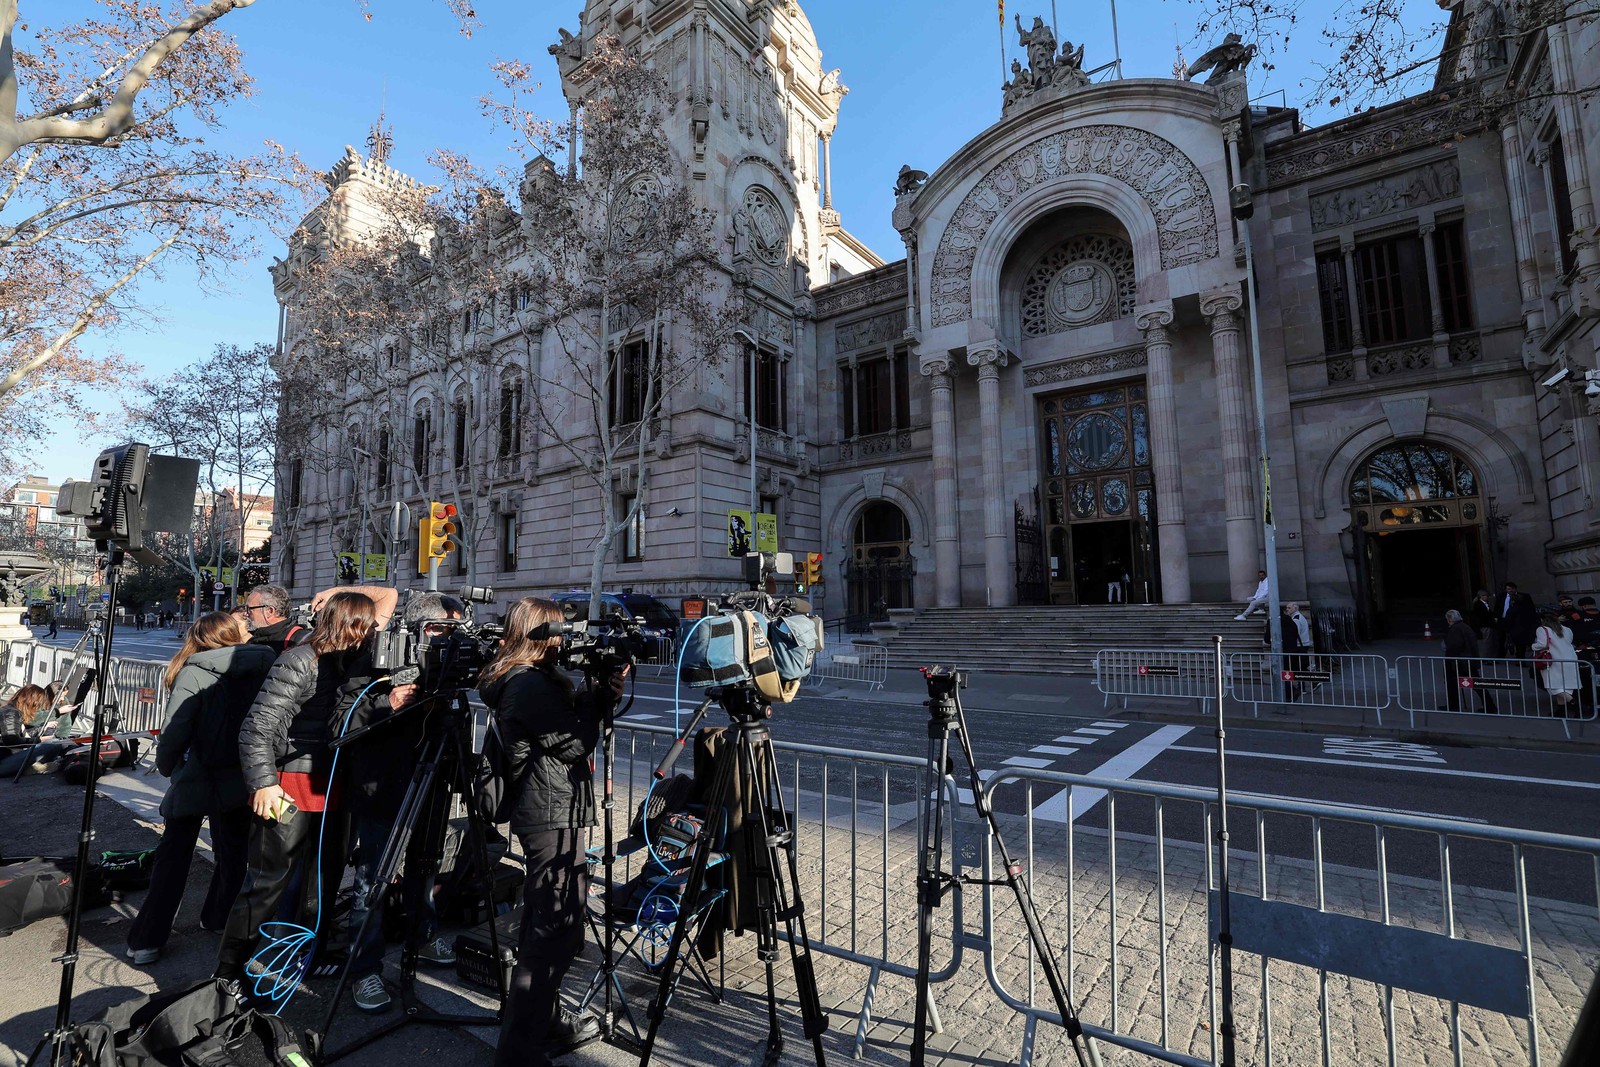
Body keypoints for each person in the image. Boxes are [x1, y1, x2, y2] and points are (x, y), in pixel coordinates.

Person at [215, 587, 397, 986]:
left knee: (323, 882)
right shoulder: (299, 659)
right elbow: (256, 726)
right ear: (345, 625)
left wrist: (336, 590)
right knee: (267, 883)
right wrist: (263, 783)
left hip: (334, 786)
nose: (372, 633)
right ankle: (230, 970)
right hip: (289, 784)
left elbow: (389, 596)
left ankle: (305, 957)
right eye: (363, 627)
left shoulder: (356, 660)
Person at [480, 597, 627, 1067]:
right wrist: (600, 697)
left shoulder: (531, 681)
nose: (567, 640)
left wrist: (602, 687)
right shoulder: (528, 686)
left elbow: (565, 730)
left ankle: (542, 1025)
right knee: (552, 932)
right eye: (560, 631)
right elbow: (575, 741)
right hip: (548, 816)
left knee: (550, 926)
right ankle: (519, 1052)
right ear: (537, 635)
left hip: (551, 809)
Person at [124, 613, 276, 965]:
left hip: (197, 774)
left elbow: (175, 729)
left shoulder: (194, 670)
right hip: (240, 773)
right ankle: (220, 918)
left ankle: (148, 938)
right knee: (233, 853)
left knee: (173, 858)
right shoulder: (263, 665)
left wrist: (168, 767)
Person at [340, 591, 466, 1014]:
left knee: (426, 866)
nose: (450, 640)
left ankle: (423, 935)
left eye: (455, 631)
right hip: (384, 786)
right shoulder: (378, 656)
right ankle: (364, 970)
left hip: (433, 778)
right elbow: (344, 716)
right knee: (372, 878)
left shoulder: (448, 663)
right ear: (419, 628)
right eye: (443, 630)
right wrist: (386, 704)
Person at [1440, 608, 1495, 713]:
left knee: (1452, 683)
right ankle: (1489, 705)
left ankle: (1453, 705)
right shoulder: (1465, 627)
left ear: (1450, 619)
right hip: (1468, 660)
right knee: (1476, 683)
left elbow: (1454, 646)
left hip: (1459, 661)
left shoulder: (1455, 629)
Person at [1530, 611, 1581, 713]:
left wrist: (1533, 646)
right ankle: (1561, 710)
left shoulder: (1542, 629)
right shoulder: (1567, 629)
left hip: (1553, 660)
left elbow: (1542, 644)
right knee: (1565, 686)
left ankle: (1574, 703)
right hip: (1570, 658)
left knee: (1552, 686)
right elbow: (1570, 641)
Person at [241, 584, 310, 654]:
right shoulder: (253, 638)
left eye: (249, 609)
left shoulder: (300, 641)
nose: (246, 613)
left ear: (269, 611)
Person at [1500, 581, 1538, 660]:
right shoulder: (1503, 598)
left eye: (1512, 588)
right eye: (1508, 589)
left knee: (1520, 645)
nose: (1510, 590)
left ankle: (1520, 659)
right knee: (1521, 645)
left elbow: (1532, 610)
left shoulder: (1520, 602)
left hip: (1520, 627)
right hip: (1520, 627)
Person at [1467, 588, 1497, 658]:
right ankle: (1486, 657)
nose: (1487, 597)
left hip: (1487, 624)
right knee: (1487, 642)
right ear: (1481, 596)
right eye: (1486, 595)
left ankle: (1489, 656)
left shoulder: (1484, 604)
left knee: (1490, 641)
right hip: (1485, 625)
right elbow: (1482, 615)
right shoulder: (1479, 605)